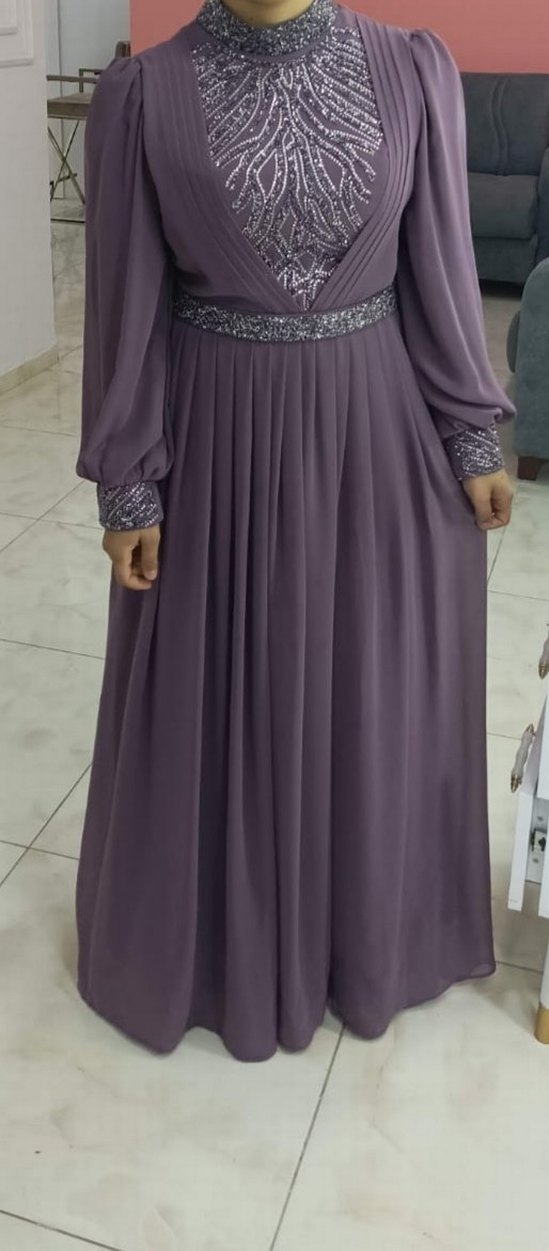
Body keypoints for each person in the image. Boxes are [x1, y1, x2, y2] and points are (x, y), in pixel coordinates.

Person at [75, 0, 516, 1063]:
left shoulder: (410, 69)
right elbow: (126, 304)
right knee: (226, 686)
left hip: (377, 431)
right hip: (216, 442)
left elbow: (440, 267)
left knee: (367, 684)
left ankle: (365, 939)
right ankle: (220, 950)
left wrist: (471, 432)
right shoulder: (144, 95)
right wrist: (129, 483)